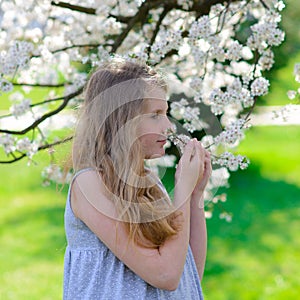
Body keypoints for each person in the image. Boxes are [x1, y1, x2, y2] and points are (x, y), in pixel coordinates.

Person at [63, 58, 212, 300]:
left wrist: (195, 194)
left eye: (166, 113)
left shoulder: (150, 183)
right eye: (155, 115)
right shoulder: (89, 185)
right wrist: (182, 189)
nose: (168, 126)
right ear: (122, 119)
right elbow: (164, 275)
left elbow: (187, 271)